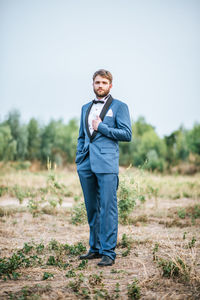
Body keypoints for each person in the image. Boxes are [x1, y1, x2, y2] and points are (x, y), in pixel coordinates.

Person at [75, 69, 132, 266]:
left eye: (104, 83)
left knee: (108, 208)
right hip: (86, 163)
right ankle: (95, 248)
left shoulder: (119, 106)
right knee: (92, 208)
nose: (100, 85)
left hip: (107, 164)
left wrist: (102, 127)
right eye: (97, 82)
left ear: (110, 86)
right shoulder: (84, 108)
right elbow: (82, 135)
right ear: (93, 84)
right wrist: (79, 158)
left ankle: (108, 252)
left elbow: (127, 134)